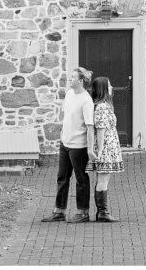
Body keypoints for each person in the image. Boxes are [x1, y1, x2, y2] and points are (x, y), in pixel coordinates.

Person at [41, 67, 95, 223]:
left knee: (81, 179)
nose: (69, 79)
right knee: (62, 178)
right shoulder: (70, 94)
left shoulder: (86, 100)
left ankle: (83, 213)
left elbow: (90, 126)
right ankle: (59, 211)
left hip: (79, 147)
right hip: (65, 143)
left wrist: (90, 149)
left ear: (80, 81)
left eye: (72, 77)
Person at [89, 76, 123, 223]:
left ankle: (102, 212)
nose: (111, 87)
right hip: (106, 148)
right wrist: (101, 151)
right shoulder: (102, 106)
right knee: (103, 180)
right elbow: (101, 129)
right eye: (109, 85)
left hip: (108, 146)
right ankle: (102, 212)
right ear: (103, 88)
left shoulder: (104, 105)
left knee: (103, 180)